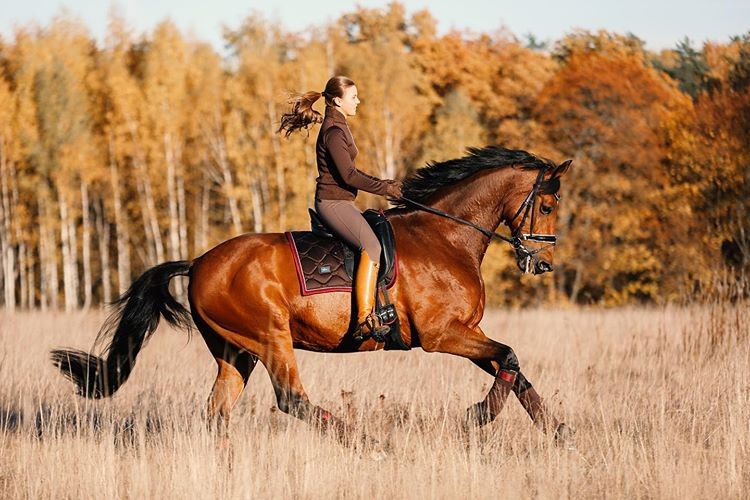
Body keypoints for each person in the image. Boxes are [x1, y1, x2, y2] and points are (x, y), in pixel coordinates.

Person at [279, 76, 403, 340]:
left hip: (343, 202)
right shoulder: (334, 131)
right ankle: (364, 319)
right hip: (332, 204)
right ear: (337, 100)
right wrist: (385, 187)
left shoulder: (339, 126)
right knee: (371, 247)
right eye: (353, 97)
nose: (358, 101)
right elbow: (348, 175)